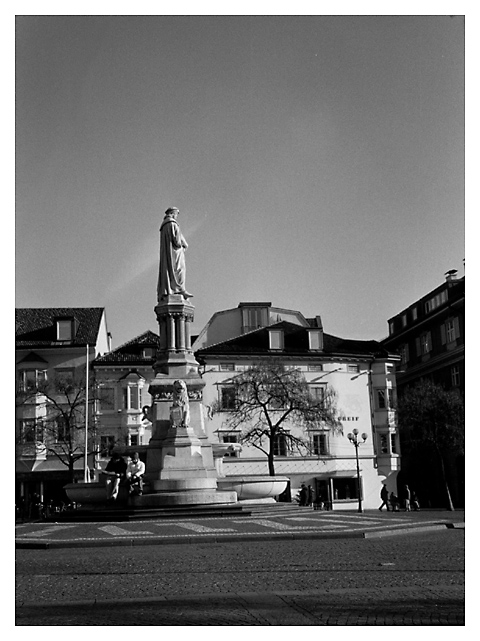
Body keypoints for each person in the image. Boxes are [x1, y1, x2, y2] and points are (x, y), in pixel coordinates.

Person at [157, 207, 193, 301]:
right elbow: (177, 241)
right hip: (175, 253)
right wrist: (184, 244)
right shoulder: (173, 224)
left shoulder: (164, 226)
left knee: (170, 270)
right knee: (179, 269)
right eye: (176, 214)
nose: (176, 216)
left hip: (168, 254)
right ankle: (180, 289)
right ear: (173, 214)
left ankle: (172, 289)